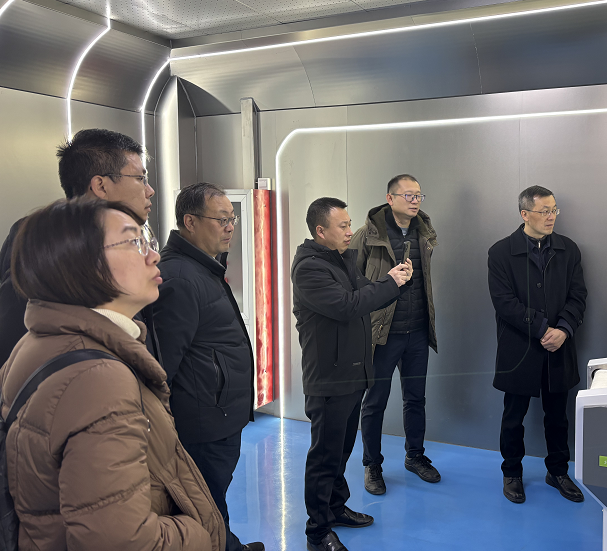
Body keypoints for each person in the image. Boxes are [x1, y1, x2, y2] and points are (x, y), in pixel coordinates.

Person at [0, 198, 224, 551]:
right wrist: (199, 535)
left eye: (147, 240)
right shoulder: (99, 378)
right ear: (79, 263)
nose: (153, 256)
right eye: (134, 242)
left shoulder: (37, 341)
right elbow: (120, 540)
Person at [292, 197, 411, 551]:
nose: (349, 230)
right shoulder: (309, 269)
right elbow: (348, 306)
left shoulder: (341, 259)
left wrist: (395, 281)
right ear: (320, 231)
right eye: (342, 226)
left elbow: (365, 295)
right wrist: (390, 283)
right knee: (325, 456)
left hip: (353, 374)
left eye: (349, 223)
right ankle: (318, 532)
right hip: (329, 378)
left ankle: (335, 507)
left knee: (341, 451)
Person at [152, 183, 263, 551]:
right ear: (190, 222)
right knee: (204, 507)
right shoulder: (180, 278)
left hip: (219, 416)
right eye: (221, 220)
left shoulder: (203, 267)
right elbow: (162, 368)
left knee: (213, 502)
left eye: (232, 219)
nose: (230, 227)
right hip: (202, 424)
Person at [0, 128, 157, 367]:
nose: (149, 190)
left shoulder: (112, 247)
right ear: (101, 186)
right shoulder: (49, 251)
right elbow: (17, 356)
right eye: (140, 178)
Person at [488, 185, 587, 505]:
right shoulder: (500, 252)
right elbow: (504, 303)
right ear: (524, 214)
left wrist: (564, 329)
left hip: (559, 347)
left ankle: (558, 471)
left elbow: (578, 296)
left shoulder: (568, 250)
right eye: (544, 211)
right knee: (513, 417)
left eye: (554, 210)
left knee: (558, 416)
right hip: (520, 349)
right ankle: (511, 473)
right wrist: (544, 329)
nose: (551, 216)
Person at [350, 174, 440, 495]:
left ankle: (415, 456)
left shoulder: (423, 232)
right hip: (382, 334)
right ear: (390, 198)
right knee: (375, 401)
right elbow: (351, 282)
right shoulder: (367, 235)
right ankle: (372, 465)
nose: (415, 201)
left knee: (415, 399)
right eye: (408, 195)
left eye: (419, 196)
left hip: (417, 331)